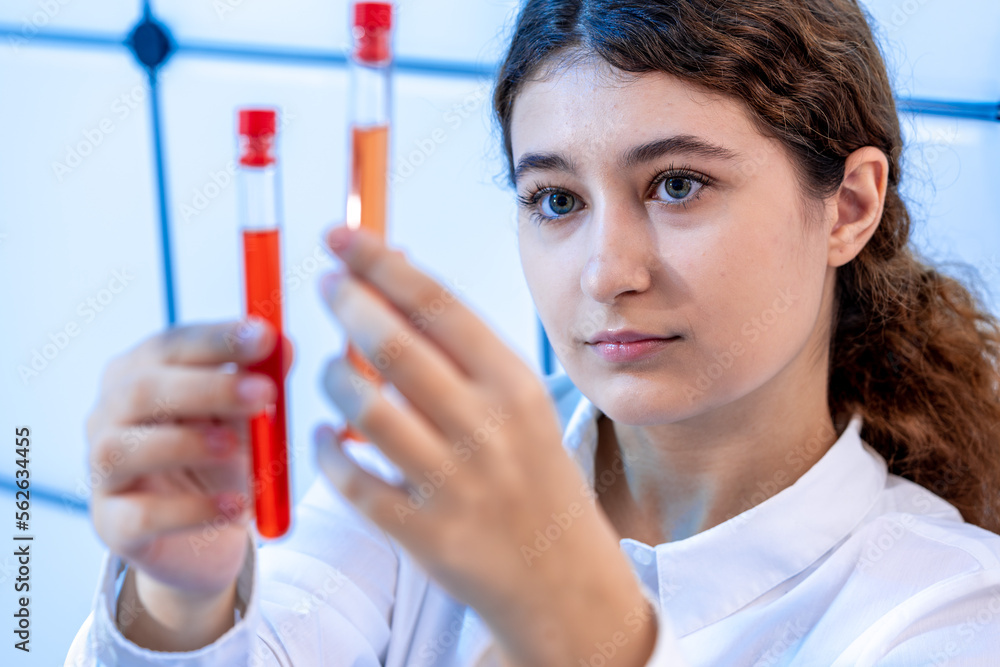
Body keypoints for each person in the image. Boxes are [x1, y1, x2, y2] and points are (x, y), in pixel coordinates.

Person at [67, 0, 1000, 665]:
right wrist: (181, 602)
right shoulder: (440, 466)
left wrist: (592, 635)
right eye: (556, 199)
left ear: (848, 204)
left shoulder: (947, 610)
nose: (605, 271)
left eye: (678, 184)